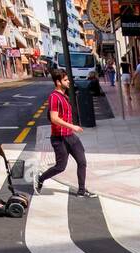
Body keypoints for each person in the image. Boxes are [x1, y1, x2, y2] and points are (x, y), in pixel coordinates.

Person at [33, 69, 95, 198]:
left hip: (70, 136)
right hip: (59, 138)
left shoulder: (64, 96)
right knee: (61, 167)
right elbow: (54, 118)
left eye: (68, 79)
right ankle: (41, 178)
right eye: (65, 80)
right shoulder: (54, 97)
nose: (68, 82)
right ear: (58, 82)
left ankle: (82, 190)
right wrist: (73, 126)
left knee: (82, 162)